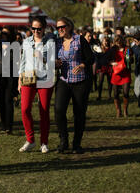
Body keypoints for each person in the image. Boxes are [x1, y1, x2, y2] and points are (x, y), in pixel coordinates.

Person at [54, 17, 94, 154]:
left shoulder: (79, 39)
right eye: (57, 27)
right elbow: (53, 60)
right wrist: (55, 64)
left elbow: (91, 58)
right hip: (63, 80)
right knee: (59, 110)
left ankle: (77, 144)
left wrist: (83, 65)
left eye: (62, 27)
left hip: (80, 81)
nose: (59, 30)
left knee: (79, 113)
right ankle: (63, 141)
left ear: (69, 26)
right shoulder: (57, 42)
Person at [18, 17, 55, 153]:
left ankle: (44, 142)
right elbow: (23, 61)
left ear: (44, 28)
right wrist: (19, 79)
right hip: (28, 78)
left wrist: (43, 58)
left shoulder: (50, 42)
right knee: (25, 109)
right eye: (33, 28)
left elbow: (52, 63)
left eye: (39, 28)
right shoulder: (26, 41)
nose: (36, 31)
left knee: (44, 111)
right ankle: (30, 140)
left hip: (45, 79)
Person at [0, 26, 19, 134]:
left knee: (8, 101)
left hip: (11, 76)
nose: (4, 35)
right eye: (3, 33)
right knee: (1, 101)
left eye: (6, 33)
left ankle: (9, 126)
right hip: (1, 77)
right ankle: (3, 124)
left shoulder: (15, 45)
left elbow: (15, 61)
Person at [110, 35, 133, 117]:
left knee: (126, 93)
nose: (118, 43)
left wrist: (129, 58)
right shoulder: (113, 50)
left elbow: (129, 61)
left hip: (125, 73)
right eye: (117, 42)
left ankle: (125, 110)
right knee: (115, 94)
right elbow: (107, 59)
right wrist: (112, 63)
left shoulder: (127, 49)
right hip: (116, 73)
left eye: (119, 41)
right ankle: (118, 111)